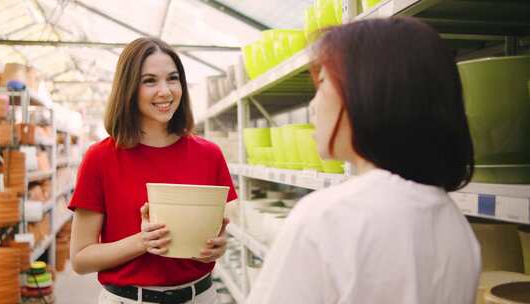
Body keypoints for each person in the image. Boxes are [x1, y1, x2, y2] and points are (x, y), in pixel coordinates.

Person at [247, 17, 481, 304]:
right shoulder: (457, 226)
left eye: (321, 84)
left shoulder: (329, 217)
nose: (313, 104)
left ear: (366, 92)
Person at [69, 37, 237, 304]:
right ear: (128, 89)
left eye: (172, 78)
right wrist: (143, 242)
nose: (165, 91)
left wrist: (217, 246)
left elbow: (217, 231)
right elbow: (80, 259)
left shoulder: (209, 154)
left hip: (201, 297)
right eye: (149, 81)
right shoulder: (100, 158)